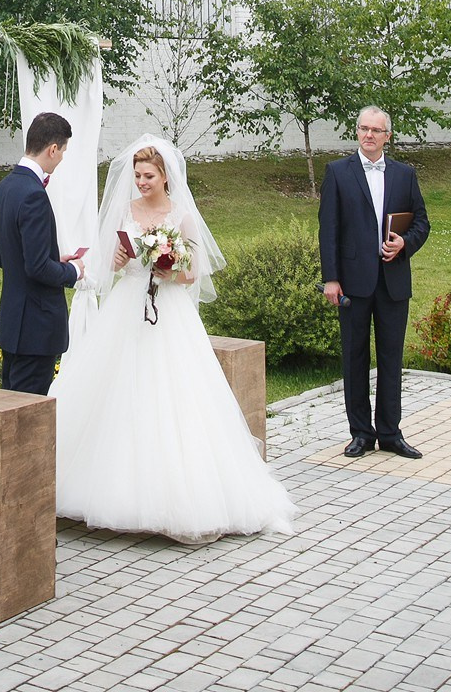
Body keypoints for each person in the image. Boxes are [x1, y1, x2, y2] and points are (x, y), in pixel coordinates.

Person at [51, 135, 296, 544]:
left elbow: (192, 274)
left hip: (168, 313)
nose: (141, 182)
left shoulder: (180, 216)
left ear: (165, 177)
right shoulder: (126, 211)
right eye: (137, 175)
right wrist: (118, 259)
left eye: (148, 175)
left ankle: (180, 498)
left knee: (176, 396)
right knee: (118, 392)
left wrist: (168, 269)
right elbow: (111, 265)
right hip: (128, 309)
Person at [319, 106, 430, 459]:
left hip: (393, 281)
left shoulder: (405, 174)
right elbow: (329, 231)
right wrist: (331, 279)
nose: (368, 135)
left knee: (391, 359)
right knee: (354, 357)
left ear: (388, 136)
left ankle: (390, 433)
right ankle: (361, 434)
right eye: (363, 129)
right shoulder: (337, 172)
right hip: (352, 282)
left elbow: (422, 223)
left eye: (375, 130)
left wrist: (404, 244)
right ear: (357, 133)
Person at [0, 112, 85, 395]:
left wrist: (49, 260)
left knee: (10, 408)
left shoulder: (4, 187)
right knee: (27, 416)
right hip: (37, 328)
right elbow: (38, 268)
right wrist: (73, 272)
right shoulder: (33, 194)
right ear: (52, 149)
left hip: (13, 323)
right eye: (63, 151)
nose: (63, 158)